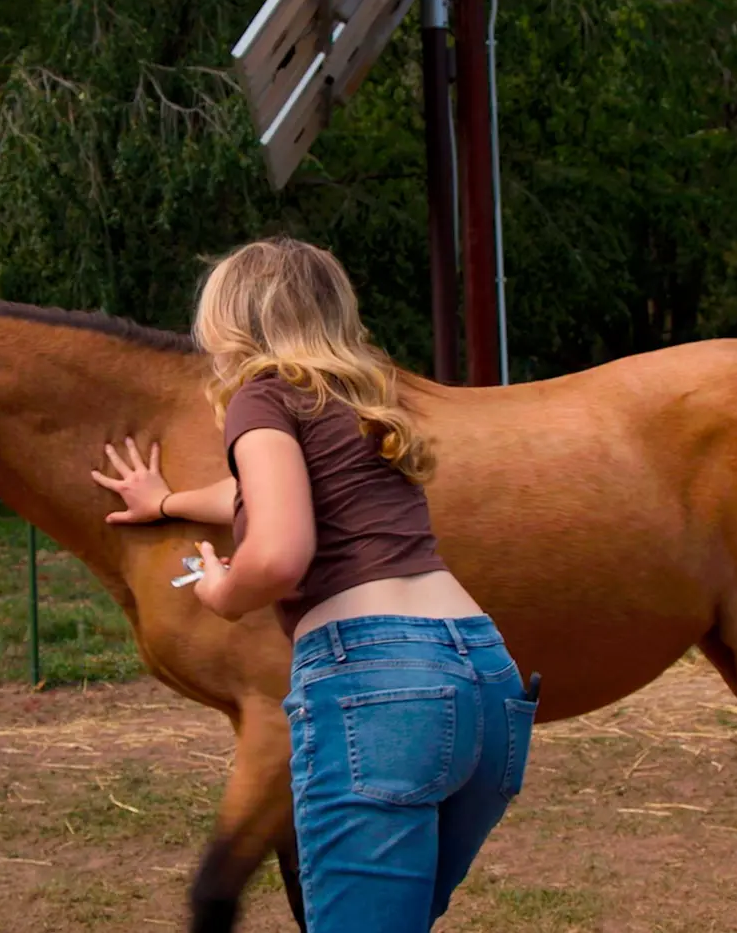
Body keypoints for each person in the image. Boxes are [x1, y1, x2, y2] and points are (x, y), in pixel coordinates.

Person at [89, 236, 537, 932]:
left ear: (233, 325)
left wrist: (221, 589)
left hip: (382, 684)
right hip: (484, 675)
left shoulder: (260, 397)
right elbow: (254, 490)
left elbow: (277, 553)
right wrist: (168, 501)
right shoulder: (361, 401)